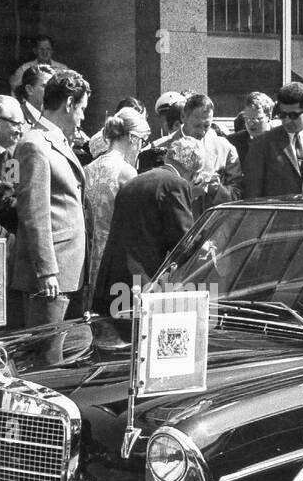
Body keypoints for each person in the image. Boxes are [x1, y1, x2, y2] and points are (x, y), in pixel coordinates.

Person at [13, 70, 90, 343]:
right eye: (81, 109)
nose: (82, 117)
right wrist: (46, 271)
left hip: (68, 273)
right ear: (69, 104)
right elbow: (33, 213)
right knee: (45, 359)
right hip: (50, 277)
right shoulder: (34, 145)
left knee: (68, 355)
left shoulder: (54, 141)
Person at [93, 136, 204, 311]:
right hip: (141, 284)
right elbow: (184, 241)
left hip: (111, 278)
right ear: (193, 171)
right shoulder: (176, 184)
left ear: (168, 157)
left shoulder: (134, 181)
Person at [85, 107, 149, 293]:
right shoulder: (127, 172)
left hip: (88, 257)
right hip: (115, 258)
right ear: (132, 138)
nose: (140, 149)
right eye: (142, 142)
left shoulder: (87, 168)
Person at [243, 82, 303, 199]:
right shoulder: (262, 143)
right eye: (283, 115)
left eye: (294, 115)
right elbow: (252, 193)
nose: (287, 121)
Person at [230, 93, 272, 167]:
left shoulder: (281, 139)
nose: (251, 123)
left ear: (268, 117)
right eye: (247, 118)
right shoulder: (233, 142)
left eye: (256, 119)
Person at [17, 64, 55, 128]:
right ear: (29, 90)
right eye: (46, 86)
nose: (52, 91)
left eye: (53, 87)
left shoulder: (54, 116)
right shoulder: (18, 116)